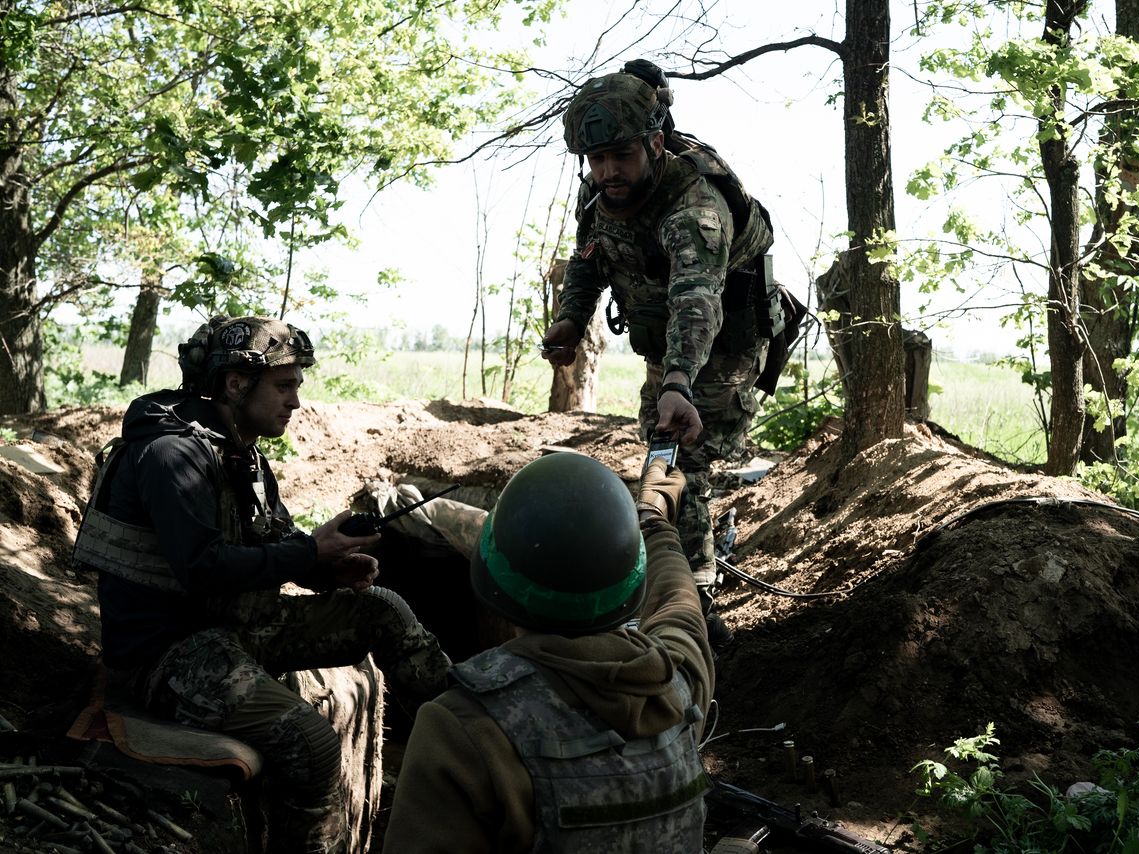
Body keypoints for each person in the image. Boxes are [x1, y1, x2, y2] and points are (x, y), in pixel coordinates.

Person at [72, 315, 450, 853]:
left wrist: (324, 567)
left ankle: (474, 723)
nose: (296, 401)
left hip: (235, 626)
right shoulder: (170, 455)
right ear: (235, 384)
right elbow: (202, 567)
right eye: (285, 385)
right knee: (312, 744)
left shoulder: (239, 451)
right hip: (169, 654)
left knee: (381, 610)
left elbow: (271, 543)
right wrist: (308, 551)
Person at [541, 60, 780, 646]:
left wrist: (677, 380)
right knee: (663, 453)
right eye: (596, 161)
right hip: (669, 348)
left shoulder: (694, 210)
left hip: (719, 351)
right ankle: (675, 579)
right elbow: (590, 257)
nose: (607, 172)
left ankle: (693, 607)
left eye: (620, 156)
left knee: (683, 464)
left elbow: (698, 302)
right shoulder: (600, 192)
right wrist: (572, 317)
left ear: (653, 143)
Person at [382, 452, 714, 852]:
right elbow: (681, 611)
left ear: (493, 584)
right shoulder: (678, 688)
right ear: (631, 588)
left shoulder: (463, 729)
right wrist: (653, 523)